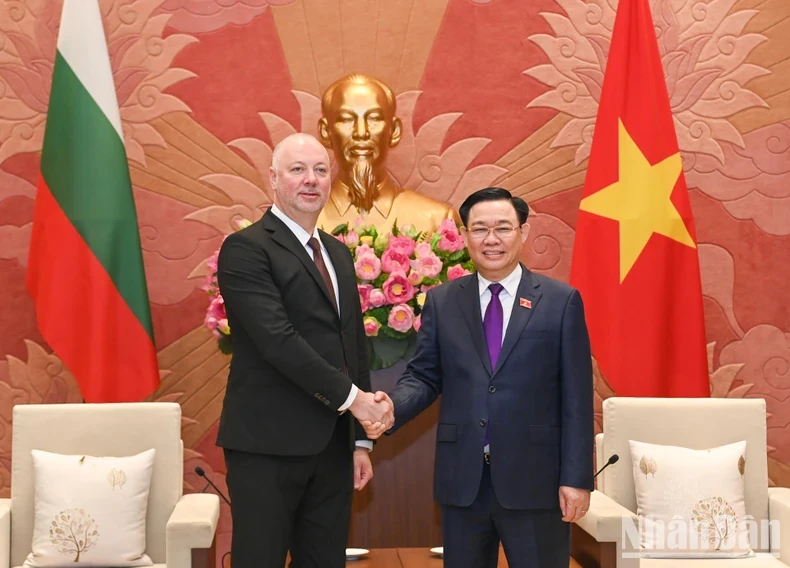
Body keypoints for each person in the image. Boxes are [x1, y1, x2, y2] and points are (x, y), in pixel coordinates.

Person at [372, 187, 594, 567]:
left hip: (536, 481)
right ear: (464, 237)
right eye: (479, 229)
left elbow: (577, 397)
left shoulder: (560, 302)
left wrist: (576, 478)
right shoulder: (443, 301)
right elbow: (424, 376)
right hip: (464, 480)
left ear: (522, 232)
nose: (491, 239)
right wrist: (391, 406)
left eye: (503, 228)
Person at [216, 133, 394, 568]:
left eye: (320, 170)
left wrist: (360, 443)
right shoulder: (246, 249)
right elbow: (277, 340)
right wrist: (357, 403)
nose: (310, 180)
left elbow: (352, 345)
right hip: (266, 446)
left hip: (331, 447)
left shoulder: (336, 251)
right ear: (274, 179)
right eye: (297, 170)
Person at [316, 73, 460, 234]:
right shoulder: (298, 222)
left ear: (394, 131)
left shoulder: (437, 220)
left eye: (374, 119)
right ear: (325, 132)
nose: (361, 133)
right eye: (346, 119)